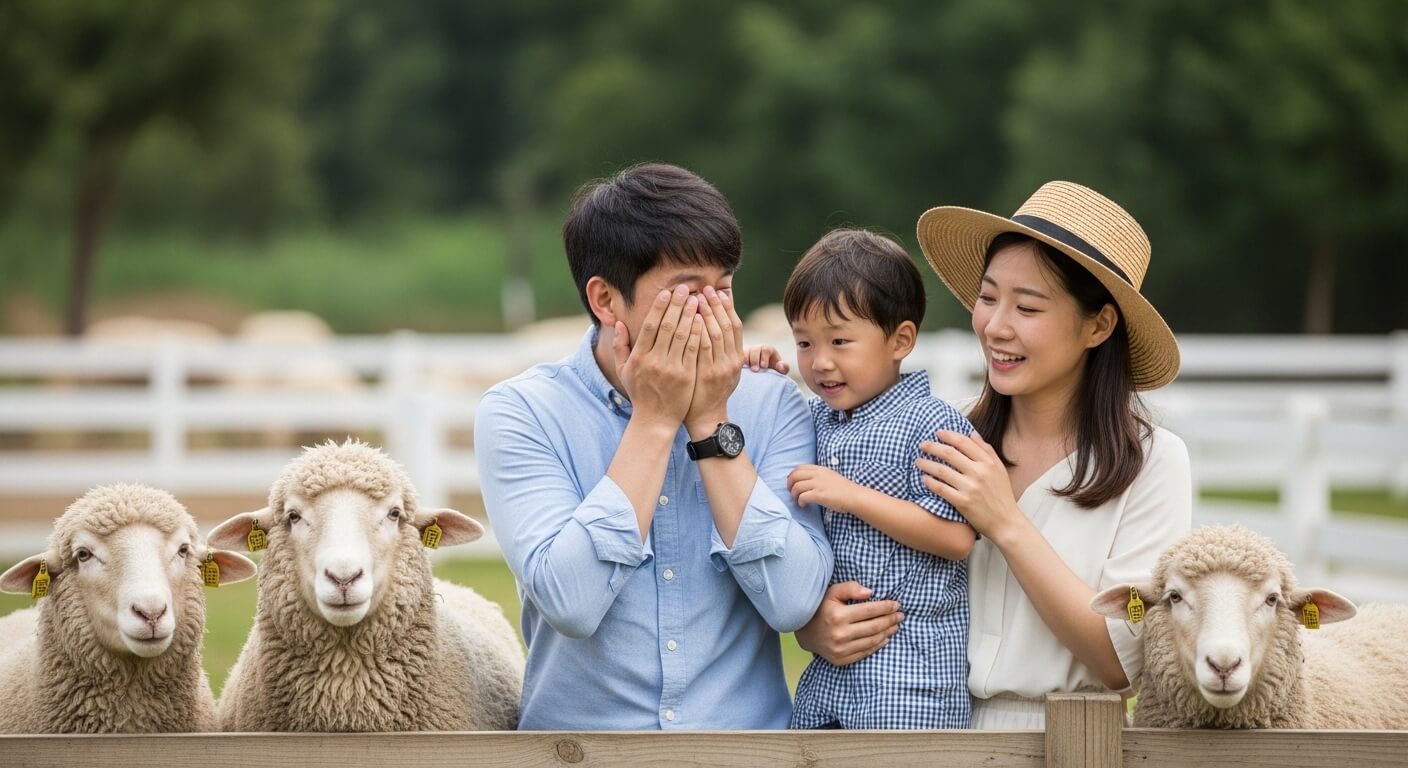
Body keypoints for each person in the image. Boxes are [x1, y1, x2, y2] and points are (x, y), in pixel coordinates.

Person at [792, 181, 1192, 728]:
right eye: (987, 298)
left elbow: (1123, 660)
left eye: (1027, 306)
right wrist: (815, 625)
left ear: (1098, 325)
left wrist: (1004, 521)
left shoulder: (1151, 462)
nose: (994, 326)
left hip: (1078, 738)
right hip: (928, 724)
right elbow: (842, 549)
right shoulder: (938, 430)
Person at [474, 163, 832, 730]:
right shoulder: (521, 413)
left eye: (725, 289)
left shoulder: (772, 403)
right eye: (689, 293)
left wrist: (712, 422)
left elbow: (792, 600)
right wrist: (656, 418)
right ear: (606, 300)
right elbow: (570, 601)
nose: (714, 314)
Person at [746, 229, 976, 728]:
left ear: (901, 340)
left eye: (840, 341)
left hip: (910, 678)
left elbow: (957, 538)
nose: (820, 361)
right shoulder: (814, 419)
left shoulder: (933, 425)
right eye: (804, 342)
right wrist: (759, 376)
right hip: (828, 672)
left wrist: (853, 496)